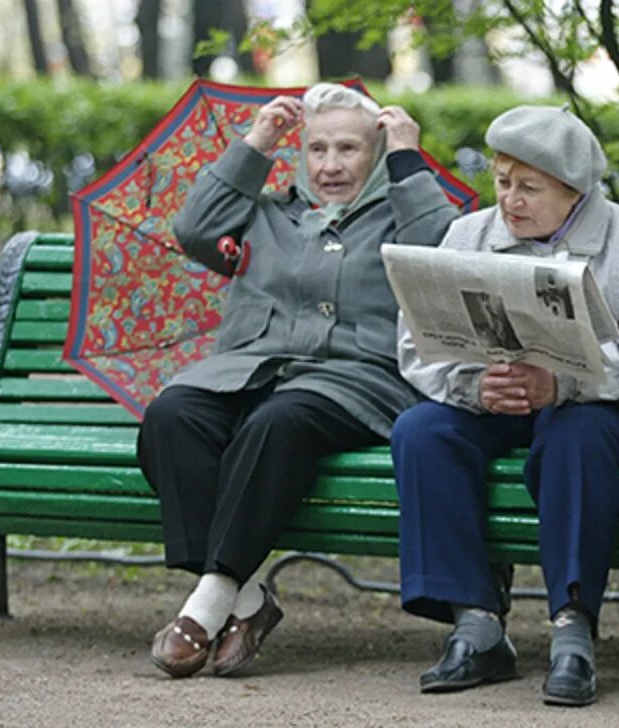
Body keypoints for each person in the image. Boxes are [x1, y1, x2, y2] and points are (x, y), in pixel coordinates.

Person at [140, 82, 459, 679]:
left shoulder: (403, 211)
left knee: (277, 422)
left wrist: (408, 160)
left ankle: (207, 604)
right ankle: (249, 598)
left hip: (356, 379)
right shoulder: (266, 210)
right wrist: (255, 142)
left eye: (348, 149)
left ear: (376, 151)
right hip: (252, 367)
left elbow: (441, 252)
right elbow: (192, 229)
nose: (331, 165)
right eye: (317, 149)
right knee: (172, 416)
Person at [391, 106, 619, 706]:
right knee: (422, 431)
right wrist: (471, 388)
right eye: (503, 182)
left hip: (584, 404)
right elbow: (415, 341)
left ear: (574, 190)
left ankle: (572, 628)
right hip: (492, 397)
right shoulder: (468, 235)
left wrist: (564, 383)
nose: (511, 200)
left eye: (530, 188)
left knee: (577, 438)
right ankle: (476, 624)